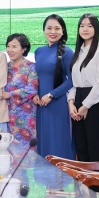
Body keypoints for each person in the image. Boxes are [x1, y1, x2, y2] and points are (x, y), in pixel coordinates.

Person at [67, 13, 99, 162]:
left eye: (89, 26)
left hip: (94, 103)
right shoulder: (78, 52)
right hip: (77, 98)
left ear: (96, 29)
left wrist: (85, 106)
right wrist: (71, 103)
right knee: (81, 148)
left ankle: (96, 186)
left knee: (94, 149)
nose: (85, 29)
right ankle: (84, 186)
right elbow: (74, 83)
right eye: (82, 25)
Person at [34, 14, 75, 159]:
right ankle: (46, 180)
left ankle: (61, 179)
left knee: (58, 142)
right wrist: (35, 94)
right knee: (44, 141)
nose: (53, 31)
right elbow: (37, 77)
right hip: (41, 105)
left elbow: (72, 80)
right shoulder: (39, 51)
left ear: (63, 31)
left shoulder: (67, 52)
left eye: (57, 28)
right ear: (44, 30)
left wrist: (51, 95)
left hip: (57, 104)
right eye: (49, 28)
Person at [3, 33, 38, 146]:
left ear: (24, 49)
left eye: (14, 46)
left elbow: (32, 89)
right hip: (6, 114)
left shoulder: (31, 67)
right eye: (8, 46)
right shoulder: (4, 66)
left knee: (26, 152)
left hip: (25, 117)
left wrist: (10, 94)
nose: (10, 50)